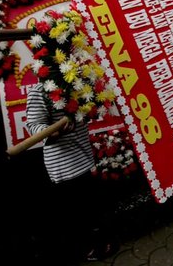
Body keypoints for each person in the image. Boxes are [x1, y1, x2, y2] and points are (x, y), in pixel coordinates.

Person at [25, 82, 119, 264]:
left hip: (82, 156)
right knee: (75, 213)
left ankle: (96, 244)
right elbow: (34, 126)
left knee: (89, 208)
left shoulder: (74, 83)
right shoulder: (39, 90)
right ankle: (85, 250)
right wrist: (54, 131)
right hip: (63, 164)